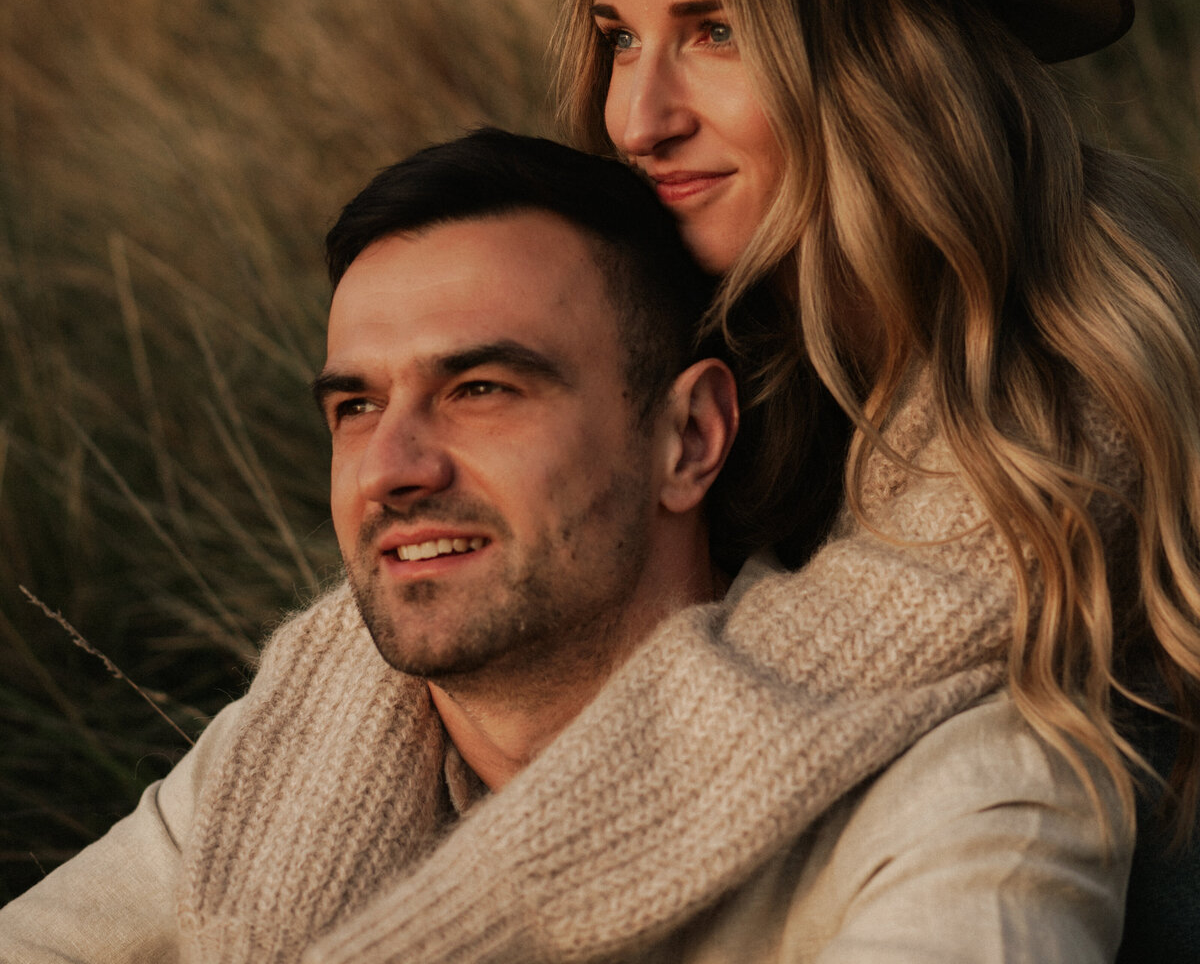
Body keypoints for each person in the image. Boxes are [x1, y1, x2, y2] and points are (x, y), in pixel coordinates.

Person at [290, 0, 1200, 964]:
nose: (636, 115)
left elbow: (794, 739)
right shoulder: (728, 325)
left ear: (885, 58)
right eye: (618, 37)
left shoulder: (1074, 402)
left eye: (714, 31)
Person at [0, 129, 1132, 964]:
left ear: (689, 439)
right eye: (353, 407)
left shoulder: (973, 789)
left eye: (482, 388)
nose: (394, 467)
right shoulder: (285, 759)